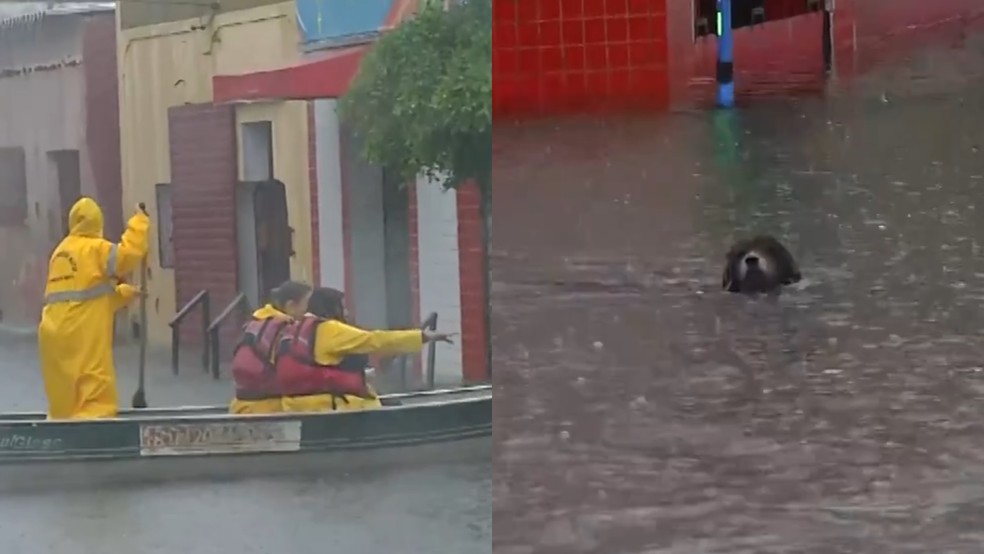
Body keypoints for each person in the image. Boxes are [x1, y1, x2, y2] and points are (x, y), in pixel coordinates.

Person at [229, 281, 455, 414]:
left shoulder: (261, 324)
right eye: (343, 308)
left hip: (255, 406)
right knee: (382, 404)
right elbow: (375, 340)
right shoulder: (322, 330)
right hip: (310, 409)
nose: (346, 312)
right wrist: (422, 336)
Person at [38, 198, 150, 419]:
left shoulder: (59, 252)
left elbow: (90, 295)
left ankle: (61, 429)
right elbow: (128, 255)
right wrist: (140, 221)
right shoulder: (95, 248)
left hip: (52, 333)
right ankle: (93, 429)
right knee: (93, 384)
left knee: (64, 390)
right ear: (97, 222)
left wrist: (128, 293)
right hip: (82, 332)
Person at [228, 280, 312, 415]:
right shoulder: (286, 330)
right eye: (307, 304)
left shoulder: (256, 322)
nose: (309, 311)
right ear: (291, 305)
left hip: (241, 405)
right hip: (269, 409)